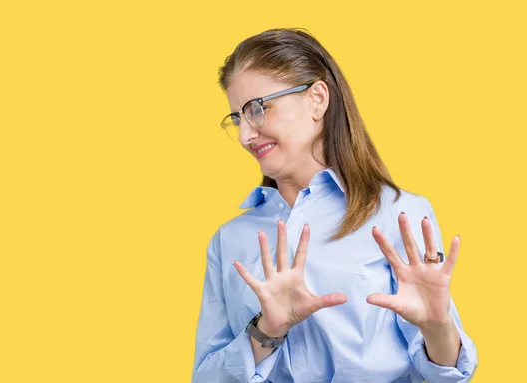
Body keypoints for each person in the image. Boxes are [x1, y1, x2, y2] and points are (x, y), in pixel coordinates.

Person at [192, 28, 478, 383]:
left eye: (256, 109)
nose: (246, 135)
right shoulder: (230, 240)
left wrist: (438, 327)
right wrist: (266, 331)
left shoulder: (398, 216)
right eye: (237, 118)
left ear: (317, 99)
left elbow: (445, 376)